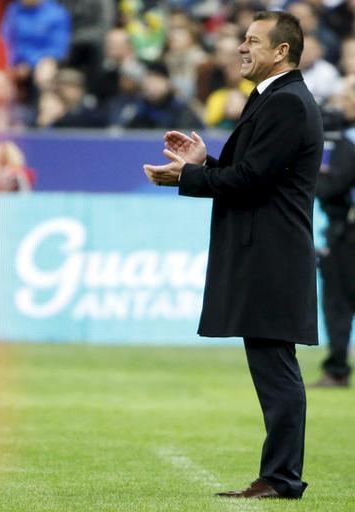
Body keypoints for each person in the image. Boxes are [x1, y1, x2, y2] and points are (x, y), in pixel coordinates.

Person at [143, 11, 323, 499]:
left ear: (280, 50)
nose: (241, 49)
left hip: (271, 256)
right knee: (271, 366)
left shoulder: (286, 104)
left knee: (275, 368)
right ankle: (278, 475)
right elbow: (253, 174)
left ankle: (282, 477)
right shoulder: (272, 99)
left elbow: (251, 182)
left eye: (251, 41)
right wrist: (204, 166)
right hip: (266, 252)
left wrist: (187, 177)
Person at [311, 80, 355, 388]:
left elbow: (331, 187)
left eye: (344, 98)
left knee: (338, 300)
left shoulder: (345, 143)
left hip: (347, 234)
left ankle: (337, 368)